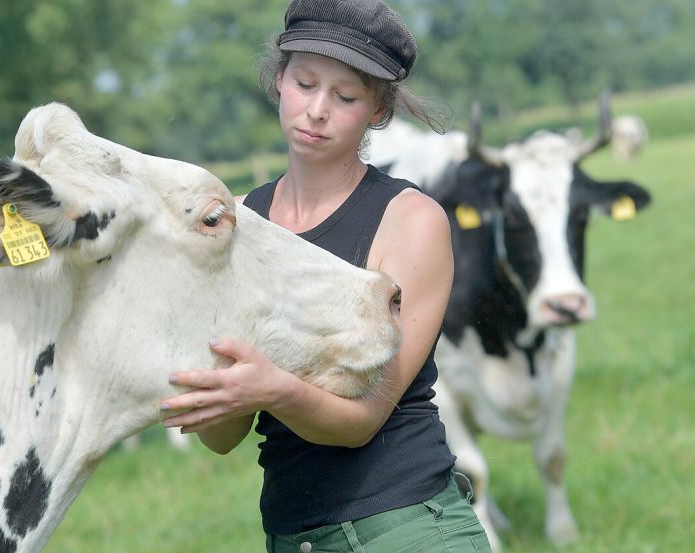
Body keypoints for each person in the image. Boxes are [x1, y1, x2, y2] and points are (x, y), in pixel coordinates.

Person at [160, 0, 491, 551]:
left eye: (345, 97)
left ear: (378, 111)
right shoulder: (236, 223)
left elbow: (362, 419)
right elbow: (221, 438)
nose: (316, 110)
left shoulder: (411, 220)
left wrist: (271, 388)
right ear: (279, 80)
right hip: (291, 536)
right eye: (305, 83)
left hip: (406, 526)